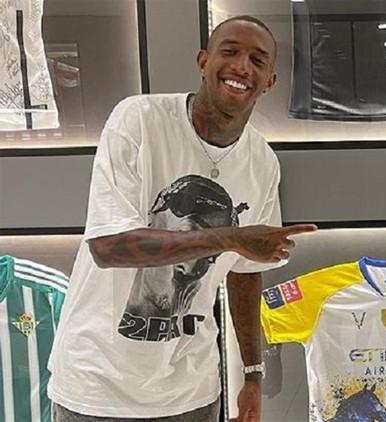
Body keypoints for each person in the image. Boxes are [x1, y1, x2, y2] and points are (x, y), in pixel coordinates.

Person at [47, 15, 316, 422]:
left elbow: (244, 274)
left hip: (192, 392)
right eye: (230, 52)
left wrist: (253, 374)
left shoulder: (261, 162)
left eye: (257, 60)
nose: (242, 66)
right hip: (97, 387)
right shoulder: (139, 121)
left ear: (269, 82)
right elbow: (107, 247)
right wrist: (229, 238)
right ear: (203, 62)